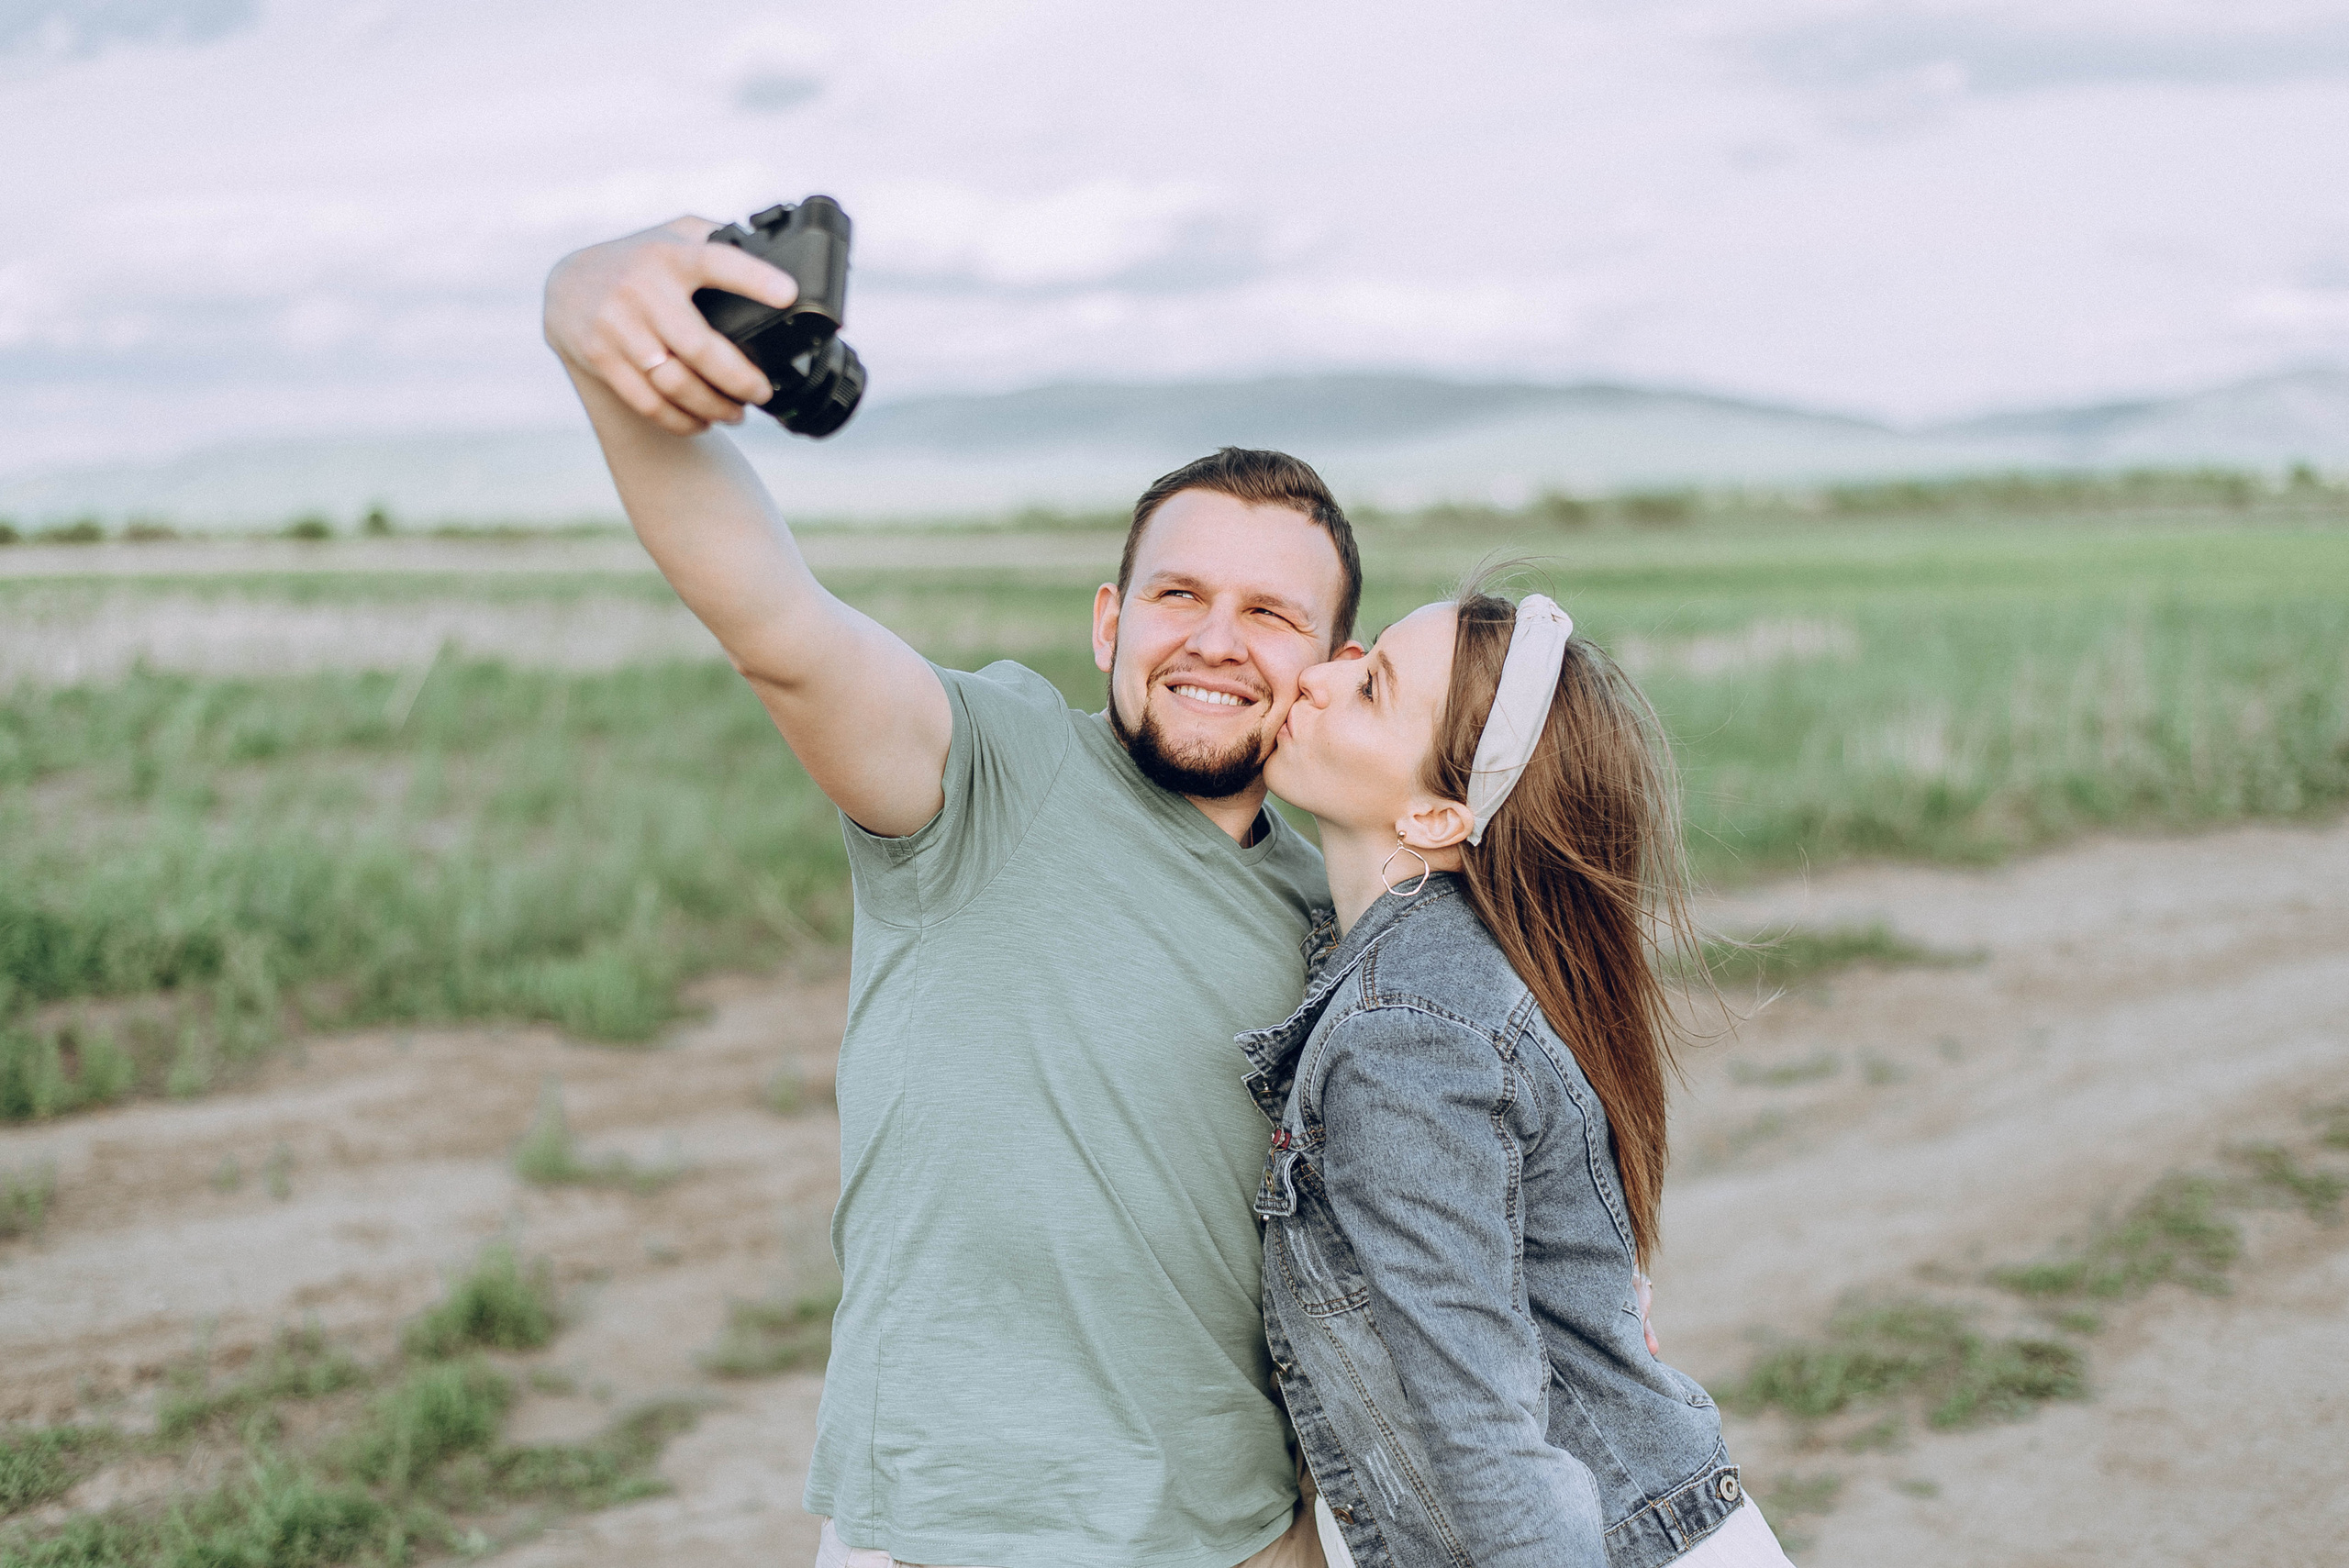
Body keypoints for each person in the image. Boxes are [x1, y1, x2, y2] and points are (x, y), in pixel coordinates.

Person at [541, 217, 1364, 1568]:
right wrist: (588, 318)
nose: (1217, 639)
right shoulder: (990, 765)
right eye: (1179, 594)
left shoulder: (1342, 911)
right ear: (1111, 621)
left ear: (1332, 663)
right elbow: (775, 620)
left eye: (1274, 616)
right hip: (945, 1529)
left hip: (1231, 1535)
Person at [1241, 587, 1793, 1567]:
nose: (1315, 677)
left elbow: (1481, 1421)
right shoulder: (1443, 969)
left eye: (1368, 688)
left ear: (1437, 812)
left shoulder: (1405, 1025)